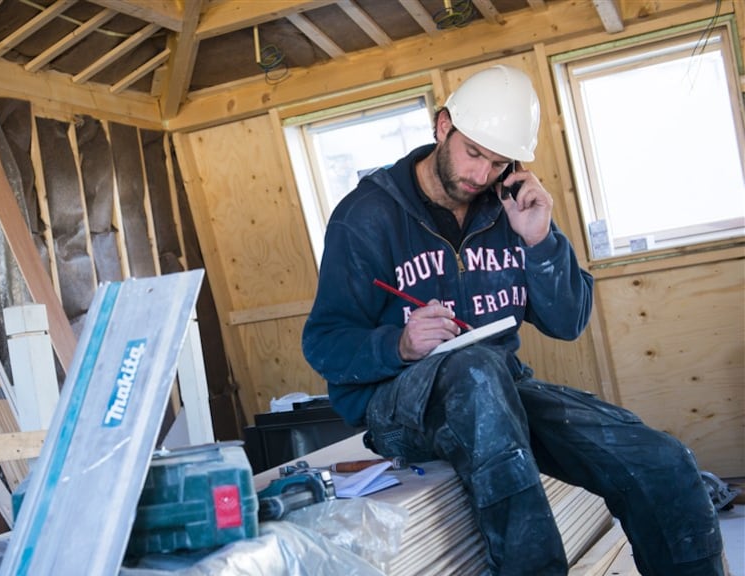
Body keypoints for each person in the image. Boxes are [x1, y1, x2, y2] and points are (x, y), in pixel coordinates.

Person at [301, 65, 724, 575]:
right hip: (400, 409)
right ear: (443, 127)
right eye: (473, 152)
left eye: (498, 162)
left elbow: (569, 322)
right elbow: (323, 343)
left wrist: (540, 241)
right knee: (475, 370)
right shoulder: (365, 218)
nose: (480, 175)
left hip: (497, 393)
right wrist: (400, 345)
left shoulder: (509, 208)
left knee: (663, 462)